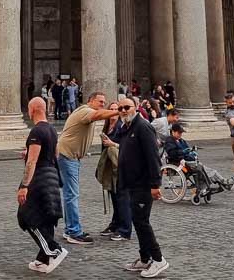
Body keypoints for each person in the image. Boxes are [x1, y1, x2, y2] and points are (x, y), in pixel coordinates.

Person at [56, 90, 119, 244]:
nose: (103, 104)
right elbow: (97, 115)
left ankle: (70, 229)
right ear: (90, 101)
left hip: (69, 156)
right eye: (100, 102)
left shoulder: (85, 112)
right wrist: (119, 111)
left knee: (69, 194)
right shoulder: (86, 111)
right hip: (68, 156)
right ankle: (73, 232)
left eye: (104, 102)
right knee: (71, 194)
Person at [116, 90, 168, 277]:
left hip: (144, 184)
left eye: (126, 107)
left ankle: (159, 260)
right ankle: (145, 259)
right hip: (132, 183)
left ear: (136, 108)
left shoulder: (143, 127)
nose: (123, 110)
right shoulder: (127, 127)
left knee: (142, 222)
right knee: (138, 222)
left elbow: (153, 157)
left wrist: (155, 184)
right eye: (120, 108)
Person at [18, 96, 67, 273]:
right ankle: (43, 259)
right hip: (52, 175)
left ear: (32, 110)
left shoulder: (36, 132)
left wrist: (24, 185)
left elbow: (32, 162)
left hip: (39, 179)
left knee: (26, 216)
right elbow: (56, 154)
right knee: (46, 217)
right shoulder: (52, 130)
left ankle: (55, 250)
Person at [97, 101, 132, 241]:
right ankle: (115, 224)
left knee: (122, 198)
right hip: (110, 167)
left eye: (115, 109)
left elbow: (126, 146)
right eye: (110, 109)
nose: (113, 112)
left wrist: (112, 144)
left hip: (120, 166)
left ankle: (125, 229)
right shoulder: (108, 126)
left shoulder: (121, 126)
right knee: (114, 197)